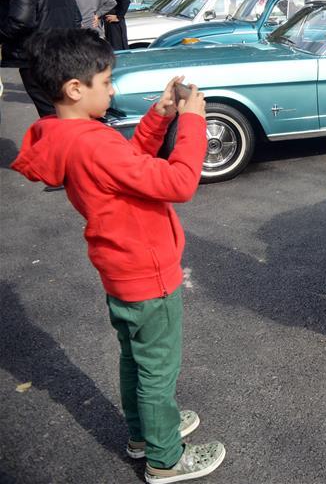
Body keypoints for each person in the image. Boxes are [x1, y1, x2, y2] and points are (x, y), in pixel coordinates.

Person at [10, 29, 226, 484]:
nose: (111, 89)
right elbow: (179, 183)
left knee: (136, 360)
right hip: (147, 271)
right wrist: (192, 121)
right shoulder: (92, 142)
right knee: (158, 371)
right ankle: (165, 458)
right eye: (105, 82)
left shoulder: (67, 135)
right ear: (74, 88)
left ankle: (144, 433)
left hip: (120, 269)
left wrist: (160, 115)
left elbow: (127, 164)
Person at [0, 0, 80, 117]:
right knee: (64, 111)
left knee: (52, 115)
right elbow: (76, 17)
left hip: (36, 57)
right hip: (63, 54)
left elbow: (20, 21)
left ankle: (65, 146)